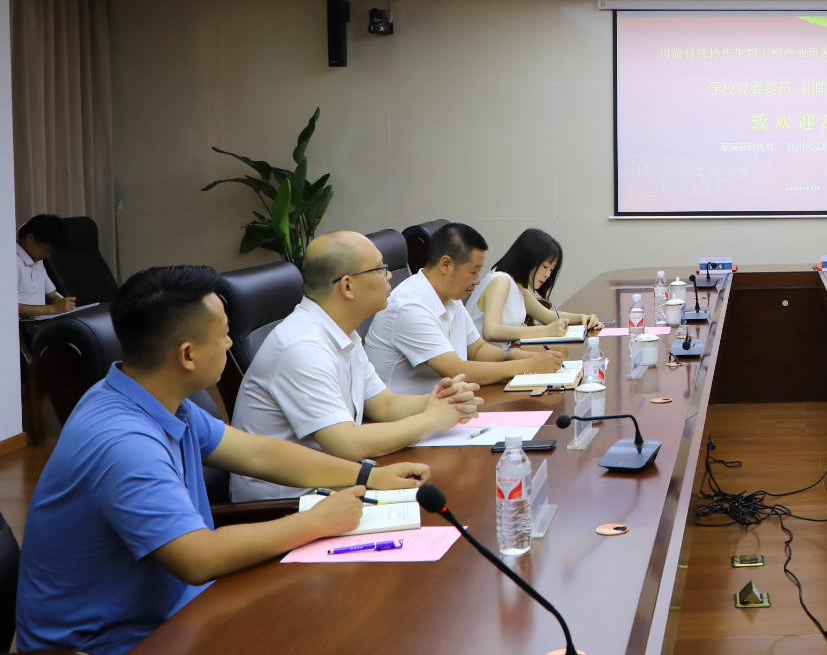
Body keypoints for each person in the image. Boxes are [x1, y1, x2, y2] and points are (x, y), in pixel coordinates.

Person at [16, 265, 431, 655]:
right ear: (187, 355)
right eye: (224, 335)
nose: (231, 343)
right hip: (111, 642)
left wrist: (368, 475)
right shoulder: (123, 442)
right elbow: (198, 558)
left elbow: (258, 451)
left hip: (178, 609)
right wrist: (316, 521)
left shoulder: (155, 398)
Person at [230, 231, 485, 502]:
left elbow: (385, 405)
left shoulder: (343, 332)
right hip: (289, 504)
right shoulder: (302, 347)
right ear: (348, 286)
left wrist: (441, 400)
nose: (390, 276)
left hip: (335, 482)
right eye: (380, 269)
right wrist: (431, 419)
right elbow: (346, 443)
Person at [363, 222, 564, 395]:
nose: (477, 280)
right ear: (445, 265)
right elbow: (457, 370)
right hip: (409, 417)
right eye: (474, 271)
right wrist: (527, 366)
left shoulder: (451, 297)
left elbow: (477, 349)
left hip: (446, 403)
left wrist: (510, 355)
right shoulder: (409, 306)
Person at [468, 228, 600, 350]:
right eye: (545, 267)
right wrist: (545, 331)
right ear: (528, 258)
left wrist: (583, 318)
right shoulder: (501, 281)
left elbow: (547, 316)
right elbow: (491, 331)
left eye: (551, 270)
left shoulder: (517, 286)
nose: (548, 275)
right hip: (483, 361)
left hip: (502, 355)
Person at [17, 213, 75, 319]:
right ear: (30, 238)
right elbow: (6, 306)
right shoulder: (8, 262)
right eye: (45, 250)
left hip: (39, 322)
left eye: (51, 253)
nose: (48, 256)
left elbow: (52, 295)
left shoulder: (38, 260)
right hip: (20, 325)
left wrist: (65, 305)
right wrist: (52, 309)